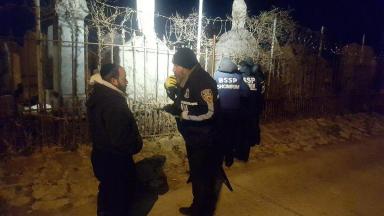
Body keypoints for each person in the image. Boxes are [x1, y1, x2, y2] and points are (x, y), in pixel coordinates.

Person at [162, 48, 222, 216]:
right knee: (197, 175)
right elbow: (186, 101)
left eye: (176, 65)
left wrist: (183, 115)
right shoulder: (187, 79)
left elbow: (210, 112)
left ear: (185, 66)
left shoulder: (203, 82)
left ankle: (202, 210)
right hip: (193, 137)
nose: (173, 69)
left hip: (203, 139)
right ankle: (198, 206)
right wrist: (173, 107)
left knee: (202, 176)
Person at [86, 63, 143, 216]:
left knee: (107, 193)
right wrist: (137, 144)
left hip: (102, 156)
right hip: (116, 162)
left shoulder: (100, 94)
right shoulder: (114, 103)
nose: (127, 81)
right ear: (113, 81)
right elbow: (121, 139)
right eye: (124, 78)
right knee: (119, 201)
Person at [214, 57, 249, 163]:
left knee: (220, 133)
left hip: (220, 110)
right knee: (231, 134)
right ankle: (229, 159)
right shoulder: (238, 76)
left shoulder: (216, 75)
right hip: (234, 111)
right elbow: (245, 93)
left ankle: (219, 158)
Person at [239, 58, 266, 148]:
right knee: (255, 123)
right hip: (256, 103)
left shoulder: (241, 76)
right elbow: (261, 91)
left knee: (245, 124)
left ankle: (246, 141)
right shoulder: (258, 76)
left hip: (245, 104)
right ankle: (255, 140)